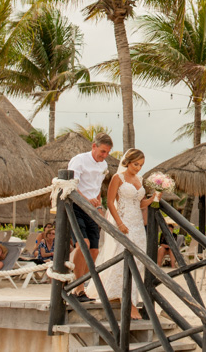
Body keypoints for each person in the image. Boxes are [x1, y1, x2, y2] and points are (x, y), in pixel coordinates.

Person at [95, 148, 155, 320]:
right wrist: (119, 223)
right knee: (123, 257)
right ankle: (129, 303)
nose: (138, 168)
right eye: (136, 164)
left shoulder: (140, 179)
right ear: (128, 162)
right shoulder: (118, 178)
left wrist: (152, 199)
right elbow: (110, 201)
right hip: (124, 222)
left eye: (141, 165)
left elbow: (140, 203)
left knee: (137, 261)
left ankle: (122, 294)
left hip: (137, 223)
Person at [68, 132, 113, 303]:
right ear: (94, 146)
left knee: (94, 250)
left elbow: (96, 188)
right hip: (76, 206)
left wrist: (99, 206)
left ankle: (80, 283)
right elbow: (71, 185)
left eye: (107, 152)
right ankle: (78, 289)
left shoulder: (104, 165)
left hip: (92, 210)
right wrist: (86, 200)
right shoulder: (78, 160)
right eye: (102, 151)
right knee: (83, 244)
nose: (104, 155)